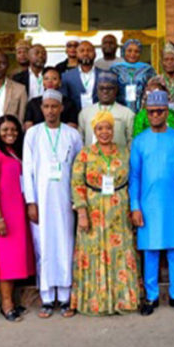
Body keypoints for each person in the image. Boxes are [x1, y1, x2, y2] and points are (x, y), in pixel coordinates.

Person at [70, 111, 140, 317]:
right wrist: (82, 212)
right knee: (93, 253)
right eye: (100, 128)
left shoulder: (124, 152)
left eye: (108, 128)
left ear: (113, 129)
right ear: (94, 130)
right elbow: (76, 183)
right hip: (93, 210)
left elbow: (133, 180)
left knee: (120, 252)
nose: (104, 132)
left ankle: (123, 301)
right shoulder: (85, 154)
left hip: (119, 211)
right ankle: (95, 302)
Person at [130, 91, 174, 316]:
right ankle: (151, 297)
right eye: (152, 112)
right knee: (151, 251)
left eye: (160, 111)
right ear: (146, 114)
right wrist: (135, 206)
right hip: (147, 205)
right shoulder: (139, 141)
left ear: (167, 112)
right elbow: (135, 177)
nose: (156, 115)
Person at [23, 90, 83, 319]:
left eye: (54, 107)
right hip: (41, 200)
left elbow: (79, 169)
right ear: (41, 109)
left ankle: (66, 296)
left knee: (66, 245)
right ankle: (47, 297)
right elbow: (27, 170)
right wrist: (31, 202)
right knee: (44, 247)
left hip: (66, 201)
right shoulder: (33, 135)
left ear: (61, 108)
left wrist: (78, 201)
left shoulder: (72, 134)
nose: (50, 111)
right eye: (46, 107)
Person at [0, 116, 35, 322]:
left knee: (14, 259)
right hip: (1, 214)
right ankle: (6, 304)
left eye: (13, 129)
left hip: (17, 213)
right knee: (5, 261)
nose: (10, 133)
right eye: (5, 129)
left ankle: (13, 301)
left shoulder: (14, 152)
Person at [77, 72, 134, 147]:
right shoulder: (85, 113)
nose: (105, 91)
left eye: (109, 88)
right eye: (102, 88)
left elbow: (131, 141)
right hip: (90, 158)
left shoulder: (127, 113)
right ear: (97, 89)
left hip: (118, 158)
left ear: (116, 90)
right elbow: (80, 141)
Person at [110, 39, 157, 113]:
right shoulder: (115, 69)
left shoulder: (148, 69)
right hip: (120, 109)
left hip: (142, 109)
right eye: (129, 51)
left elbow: (153, 90)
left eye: (136, 51)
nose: (133, 54)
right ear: (124, 51)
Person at [61, 40, 98, 110]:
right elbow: (64, 101)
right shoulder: (66, 77)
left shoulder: (105, 75)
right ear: (77, 54)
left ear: (95, 54)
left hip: (100, 117)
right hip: (75, 118)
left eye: (89, 50)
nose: (85, 53)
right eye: (82, 51)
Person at [150, 41, 174, 107]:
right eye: (166, 60)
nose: (169, 62)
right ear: (161, 62)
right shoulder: (154, 81)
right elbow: (146, 105)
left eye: (173, 59)